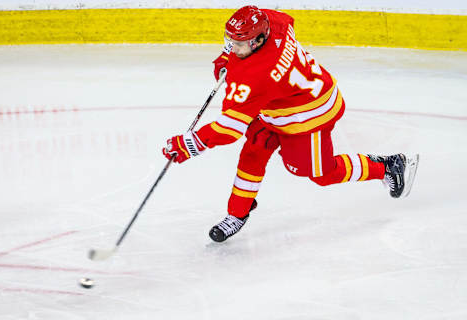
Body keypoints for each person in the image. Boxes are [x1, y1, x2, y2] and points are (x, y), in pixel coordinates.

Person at [162, 5, 419, 242]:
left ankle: (387, 166)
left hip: (308, 116)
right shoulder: (274, 23)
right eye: (230, 40)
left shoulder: (255, 77)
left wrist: (189, 145)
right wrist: (227, 57)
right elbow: (271, 25)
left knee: (321, 173)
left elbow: (229, 129)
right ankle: (238, 213)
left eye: (239, 43)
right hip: (279, 105)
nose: (232, 47)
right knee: (255, 148)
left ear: (259, 40)